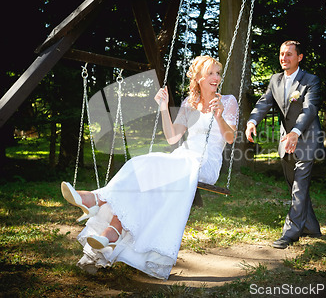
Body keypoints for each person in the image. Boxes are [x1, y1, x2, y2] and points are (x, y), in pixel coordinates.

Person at [61, 56, 238, 279]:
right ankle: (111, 232)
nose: (216, 78)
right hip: (182, 158)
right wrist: (164, 108)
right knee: (140, 166)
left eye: (218, 73)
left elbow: (230, 138)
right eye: (211, 73)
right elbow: (173, 137)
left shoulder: (227, 101)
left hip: (205, 164)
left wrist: (219, 116)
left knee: (157, 166)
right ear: (199, 77)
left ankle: (98, 200)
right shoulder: (188, 104)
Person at [245, 40, 323, 249]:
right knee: (294, 187)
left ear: (299, 57)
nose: (284, 58)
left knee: (299, 187)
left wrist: (295, 132)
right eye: (281, 54)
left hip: (306, 139)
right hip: (285, 142)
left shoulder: (311, 80)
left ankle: (290, 233)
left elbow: (310, 109)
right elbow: (264, 102)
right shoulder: (275, 80)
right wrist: (252, 121)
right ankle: (311, 227)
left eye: (289, 54)